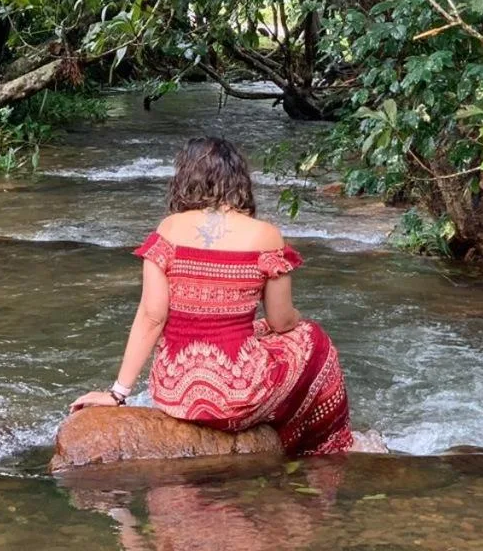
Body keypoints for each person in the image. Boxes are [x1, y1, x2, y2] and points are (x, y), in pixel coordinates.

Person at [69, 136, 353, 455]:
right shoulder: (265, 235)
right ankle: (321, 449)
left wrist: (118, 394)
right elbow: (281, 320)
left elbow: (152, 316)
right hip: (239, 396)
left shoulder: (168, 230)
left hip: (176, 394)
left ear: (185, 179)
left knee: (258, 330)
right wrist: (301, 323)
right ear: (239, 179)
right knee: (313, 339)